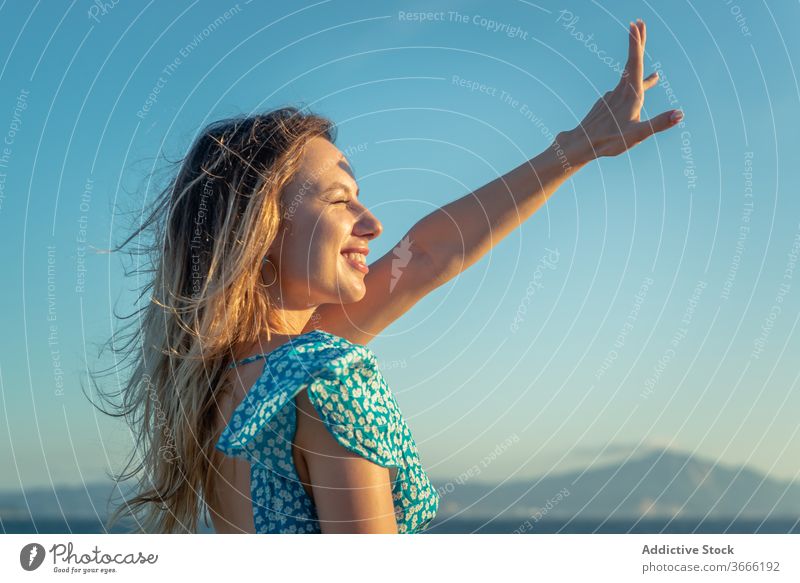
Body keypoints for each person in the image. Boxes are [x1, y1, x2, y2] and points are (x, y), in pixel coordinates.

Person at [98, 19, 680, 533]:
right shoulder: (326, 377)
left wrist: (574, 148)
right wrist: (575, 150)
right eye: (338, 200)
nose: (371, 223)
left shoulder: (220, 384)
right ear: (264, 231)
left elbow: (424, 255)